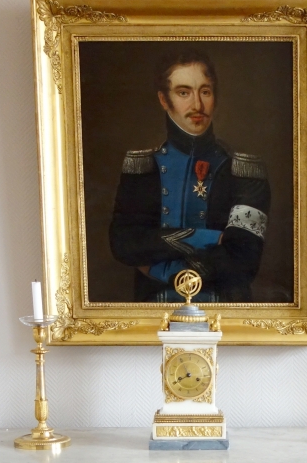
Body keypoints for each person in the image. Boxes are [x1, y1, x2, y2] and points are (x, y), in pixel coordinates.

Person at [109, 48, 271, 302]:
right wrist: (206, 238)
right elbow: (124, 244)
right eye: (183, 92)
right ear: (164, 100)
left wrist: (162, 266)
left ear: (215, 97)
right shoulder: (142, 168)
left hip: (226, 312)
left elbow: (245, 257)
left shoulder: (244, 171)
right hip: (151, 312)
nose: (197, 105)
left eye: (205, 92)